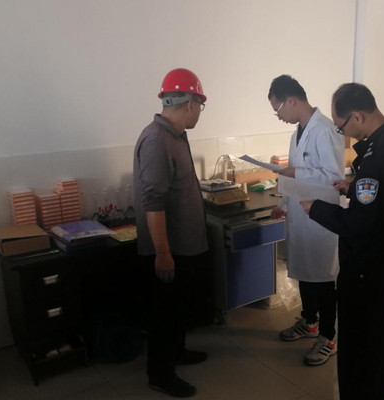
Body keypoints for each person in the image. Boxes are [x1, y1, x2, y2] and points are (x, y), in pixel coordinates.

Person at [300, 83, 384, 399]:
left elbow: (359, 223)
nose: (344, 135)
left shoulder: (378, 155)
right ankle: (381, 389)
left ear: (358, 117)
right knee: (380, 332)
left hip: (367, 266)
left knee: (360, 341)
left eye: (342, 128)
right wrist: (352, 188)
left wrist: (316, 209)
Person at [133, 68, 210, 398]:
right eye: (200, 106)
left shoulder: (176, 135)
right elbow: (154, 200)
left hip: (185, 245)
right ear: (190, 103)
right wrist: (163, 253)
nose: (200, 113)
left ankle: (176, 353)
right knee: (165, 312)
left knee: (178, 307)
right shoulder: (157, 140)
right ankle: (160, 373)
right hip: (171, 248)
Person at [268, 75, 345, 366]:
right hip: (301, 216)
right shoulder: (296, 134)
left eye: (277, 110)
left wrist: (295, 174)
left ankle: (328, 337)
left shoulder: (326, 130)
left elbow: (334, 179)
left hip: (322, 219)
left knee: (323, 279)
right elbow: (295, 178)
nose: (278, 116)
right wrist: (283, 203)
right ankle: (309, 322)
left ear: (291, 101)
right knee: (305, 273)